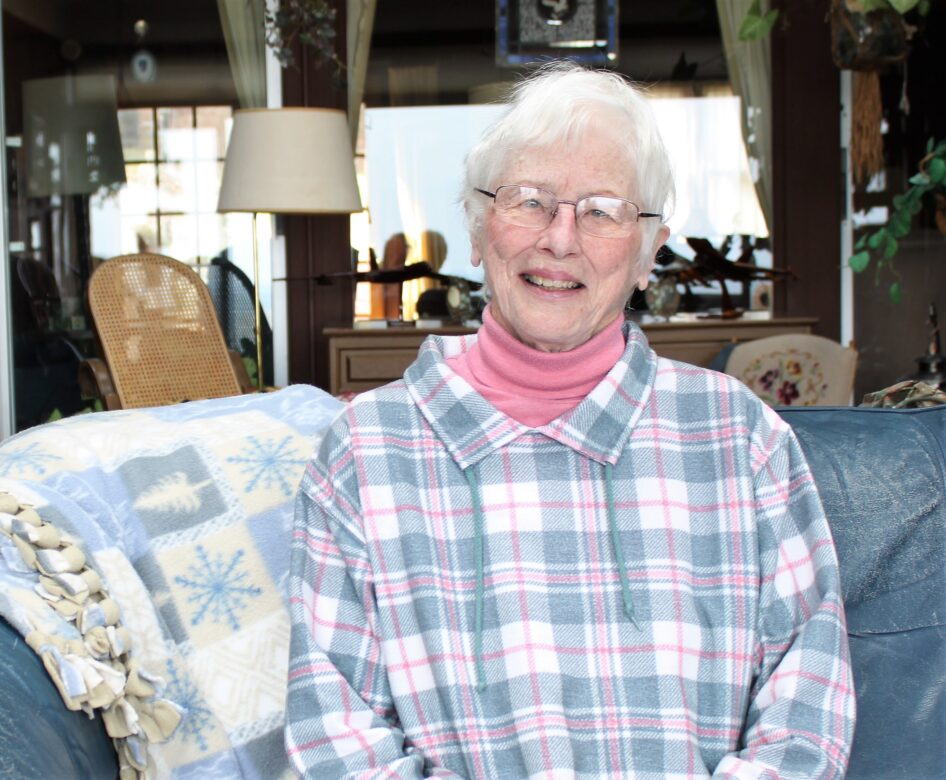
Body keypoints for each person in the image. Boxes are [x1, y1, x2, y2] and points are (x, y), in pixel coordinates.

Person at [285, 61, 855, 778]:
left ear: (649, 252)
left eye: (602, 210)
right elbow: (337, 740)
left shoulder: (739, 437)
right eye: (530, 201)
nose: (559, 239)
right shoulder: (365, 454)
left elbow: (806, 708)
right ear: (476, 225)